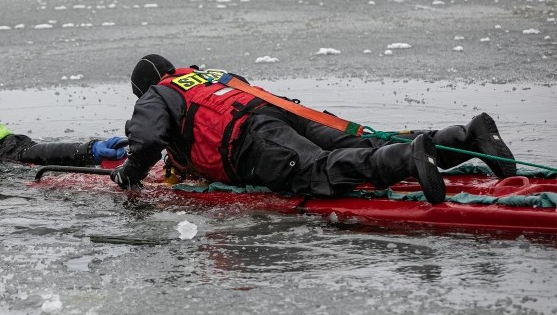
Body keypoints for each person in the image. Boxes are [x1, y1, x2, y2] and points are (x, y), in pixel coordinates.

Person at [109, 55, 517, 204]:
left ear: (143, 87)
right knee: (363, 141)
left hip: (251, 138)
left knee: (319, 170)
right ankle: (465, 137)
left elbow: (146, 140)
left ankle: (410, 157)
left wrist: (130, 173)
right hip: (282, 111)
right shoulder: (209, 74)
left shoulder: (156, 94)